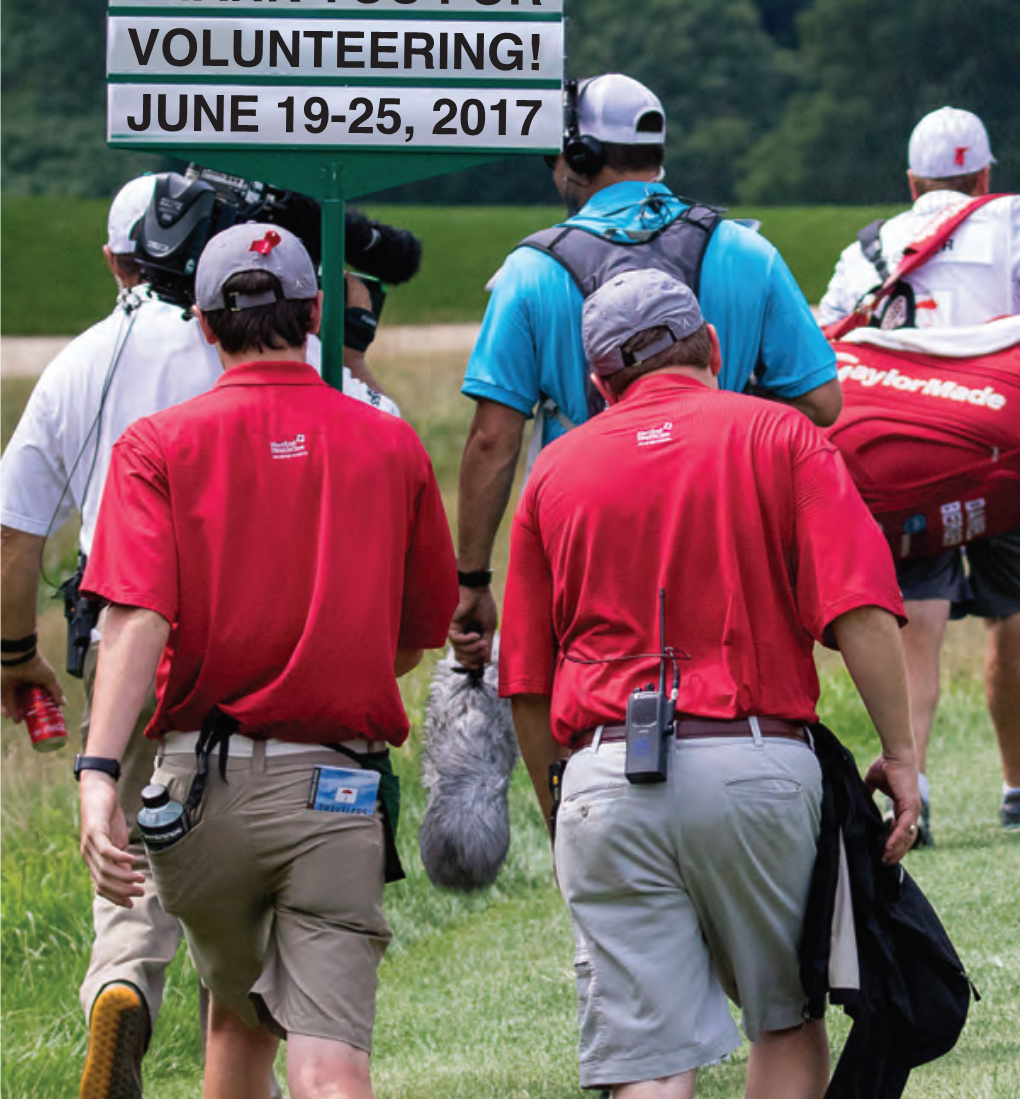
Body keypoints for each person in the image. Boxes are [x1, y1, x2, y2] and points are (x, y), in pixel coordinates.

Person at [0, 177, 398, 1099]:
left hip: (123, 631)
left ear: (114, 260)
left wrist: (16, 654)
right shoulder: (293, 366)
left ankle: (123, 984)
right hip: (285, 654)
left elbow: (18, 529)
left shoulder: (86, 361)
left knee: (140, 829)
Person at [499, 268, 920, 1099]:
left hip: (603, 772)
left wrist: (560, 807)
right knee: (784, 1019)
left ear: (599, 381)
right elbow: (860, 607)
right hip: (755, 764)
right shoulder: (784, 436)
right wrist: (901, 752)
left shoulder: (551, 472)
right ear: (714, 346)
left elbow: (526, 681)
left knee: (649, 1062)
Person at [76, 223, 458, 1099]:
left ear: (206, 324)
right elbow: (418, 630)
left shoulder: (155, 446)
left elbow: (137, 617)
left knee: (237, 1016)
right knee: (328, 1063)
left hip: (196, 796)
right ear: (317, 311)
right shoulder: (389, 443)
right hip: (334, 792)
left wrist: (100, 772)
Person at [454, 72, 842, 664]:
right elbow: (822, 403)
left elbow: (492, 440)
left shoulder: (531, 270)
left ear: (577, 156)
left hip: (588, 528)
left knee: (590, 701)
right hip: (723, 521)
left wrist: (474, 579)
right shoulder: (746, 249)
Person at [819, 105, 1020, 839]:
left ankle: (917, 784)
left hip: (909, 461)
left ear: (912, 181)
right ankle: (1015, 786)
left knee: (919, 623)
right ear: (985, 175)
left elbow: (827, 337)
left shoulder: (871, 246)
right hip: (1005, 451)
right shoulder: (1014, 222)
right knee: (1015, 612)